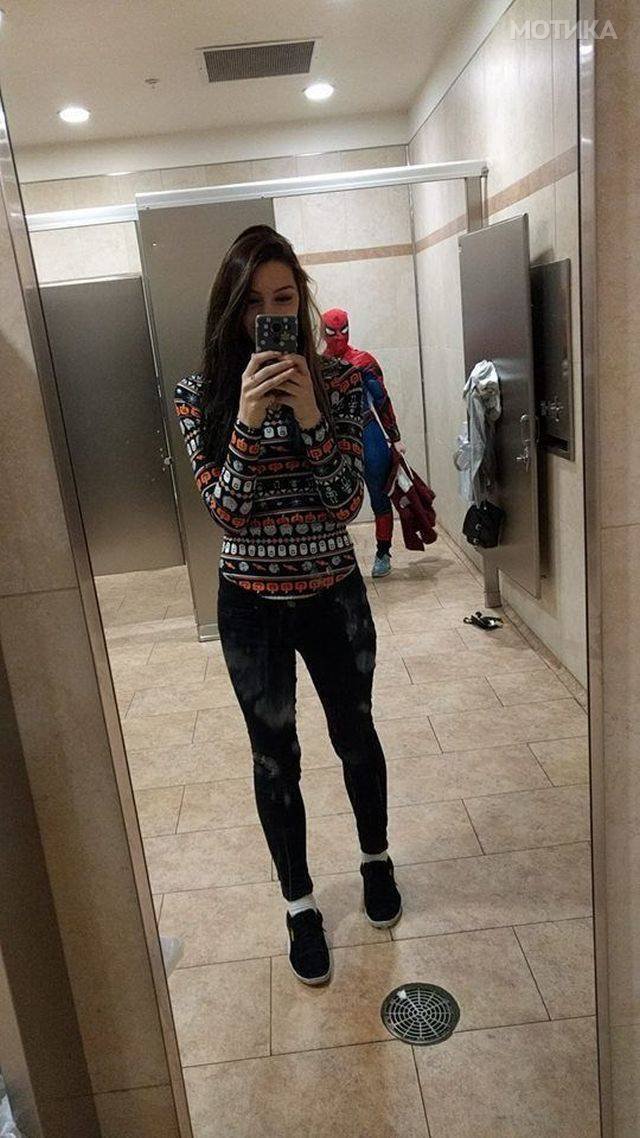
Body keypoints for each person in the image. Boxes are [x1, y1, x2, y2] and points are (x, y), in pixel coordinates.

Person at [174, 226, 401, 987]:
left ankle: (375, 858)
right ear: (231, 312)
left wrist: (310, 416)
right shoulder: (200, 396)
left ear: (300, 303)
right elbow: (228, 514)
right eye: (253, 304)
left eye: (283, 299)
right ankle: (300, 904)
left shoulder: (338, 383)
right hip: (250, 607)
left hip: (333, 595)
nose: (269, 316)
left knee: (355, 733)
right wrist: (244, 418)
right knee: (275, 758)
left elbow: (344, 502)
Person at [322, 308, 406, 578]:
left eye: (343, 330)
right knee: (330, 495)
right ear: (323, 332)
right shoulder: (317, 365)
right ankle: (333, 556)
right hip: (335, 435)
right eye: (332, 331)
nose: (338, 336)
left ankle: (383, 551)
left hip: (367, 430)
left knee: (380, 493)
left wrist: (395, 437)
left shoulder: (363, 361)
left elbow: (381, 399)